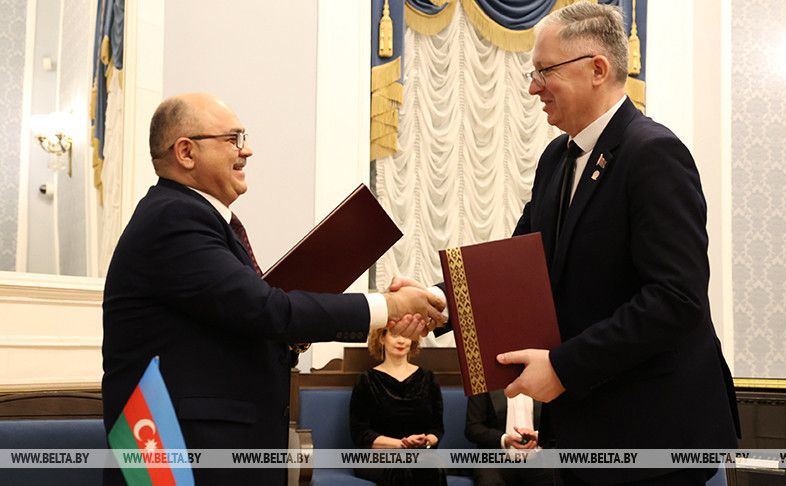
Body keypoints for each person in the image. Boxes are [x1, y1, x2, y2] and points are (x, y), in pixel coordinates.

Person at [393, 3, 740, 485]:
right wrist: (438, 300)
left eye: (544, 71)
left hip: (654, 433)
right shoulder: (558, 157)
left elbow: (675, 299)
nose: (533, 87)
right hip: (584, 431)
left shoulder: (652, 153)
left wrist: (562, 366)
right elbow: (519, 267)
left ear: (597, 69)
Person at [101, 92, 445, 486]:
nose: (247, 150)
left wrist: (290, 334)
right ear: (186, 152)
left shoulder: (196, 219)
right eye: (233, 138)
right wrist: (387, 306)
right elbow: (263, 309)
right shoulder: (174, 218)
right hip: (179, 452)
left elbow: (233, 322)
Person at [349, 327, 447, 486]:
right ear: (382, 338)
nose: (401, 340)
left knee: (433, 468)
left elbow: (437, 429)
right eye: (395, 335)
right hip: (377, 457)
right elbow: (360, 434)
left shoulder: (428, 378)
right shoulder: (366, 380)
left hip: (420, 454)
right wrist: (401, 444)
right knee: (400, 468)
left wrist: (425, 440)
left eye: (407, 335)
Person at [465, 391, 552, 486]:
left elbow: (560, 424)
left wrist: (540, 437)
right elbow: (473, 428)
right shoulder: (484, 382)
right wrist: (504, 439)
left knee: (560, 475)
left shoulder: (545, 384)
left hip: (539, 459)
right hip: (495, 459)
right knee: (489, 481)